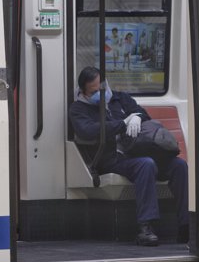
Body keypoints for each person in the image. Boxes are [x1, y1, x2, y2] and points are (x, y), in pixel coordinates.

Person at [69, 66, 189, 246]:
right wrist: (122, 123)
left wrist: (137, 117)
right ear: (84, 93)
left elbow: (142, 114)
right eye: (95, 92)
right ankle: (145, 227)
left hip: (138, 151)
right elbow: (87, 131)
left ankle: (186, 225)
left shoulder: (119, 98)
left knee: (179, 166)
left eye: (103, 87)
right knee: (146, 165)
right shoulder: (79, 109)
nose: (102, 93)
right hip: (112, 159)